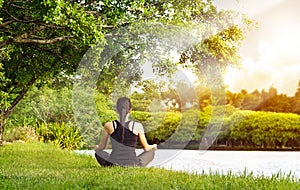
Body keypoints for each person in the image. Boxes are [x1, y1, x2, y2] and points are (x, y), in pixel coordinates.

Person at [94, 97, 157, 167]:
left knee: (98, 153)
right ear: (130, 110)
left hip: (113, 163)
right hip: (132, 164)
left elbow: (102, 147)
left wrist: (97, 148)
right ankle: (136, 165)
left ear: (117, 110)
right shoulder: (137, 126)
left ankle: (114, 164)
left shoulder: (109, 125)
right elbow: (146, 148)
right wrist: (153, 146)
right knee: (151, 152)